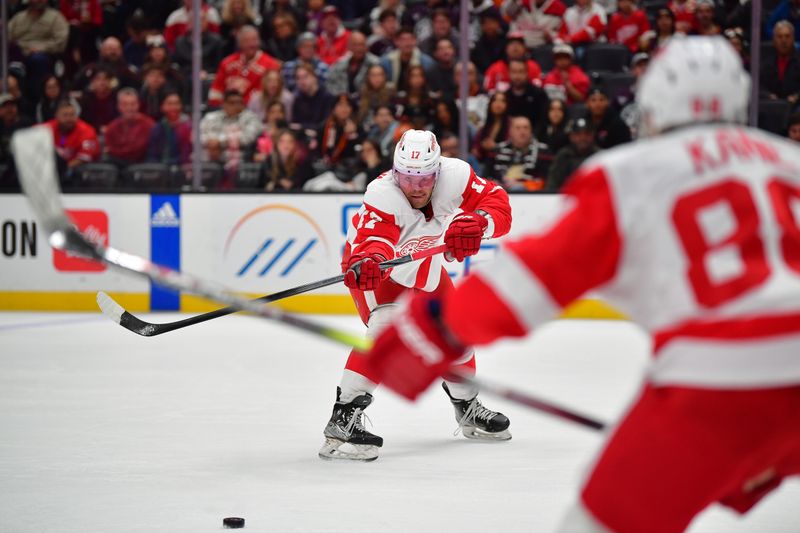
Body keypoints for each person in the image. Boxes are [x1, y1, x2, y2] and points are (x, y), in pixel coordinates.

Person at [359, 36, 800, 533]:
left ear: (651, 106)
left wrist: (431, 328)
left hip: (712, 385)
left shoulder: (630, 174)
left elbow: (527, 282)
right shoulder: (791, 160)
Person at [319, 129, 514, 462]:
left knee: (457, 326)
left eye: (424, 177)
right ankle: (343, 419)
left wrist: (478, 222)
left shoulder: (457, 176)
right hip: (378, 273)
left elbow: (496, 203)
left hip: (424, 267)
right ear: (396, 171)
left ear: (437, 171)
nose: (416, 186)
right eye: (407, 177)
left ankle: (467, 409)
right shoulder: (381, 194)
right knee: (385, 330)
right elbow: (375, 241)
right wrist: (372, 260)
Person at [207, 25, 281, 107]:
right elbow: (216, 91)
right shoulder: (227, 63)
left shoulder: (271, 65)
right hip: (225, 111)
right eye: (247, 41)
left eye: (254, 40)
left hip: (254, 112)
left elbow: (267, 96)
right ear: (239, 43)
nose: (252, 44)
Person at [103, 88, 155, 168]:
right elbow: (109, 148)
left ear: (138, 105)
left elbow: (138, 150)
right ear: (119, 106)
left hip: (142, 166)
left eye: (133, 104)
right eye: (125, 104)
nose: (129, 108)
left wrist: (115, 151)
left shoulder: (149, 125)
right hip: (118, 166)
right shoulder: (112, 127)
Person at [545, 115, 599, 191]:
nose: (583, 138)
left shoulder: (600, 156)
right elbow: (553, 184)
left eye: (587, 134)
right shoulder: (563, 156)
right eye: (578, 134)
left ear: (592, 135)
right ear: (571, 136)